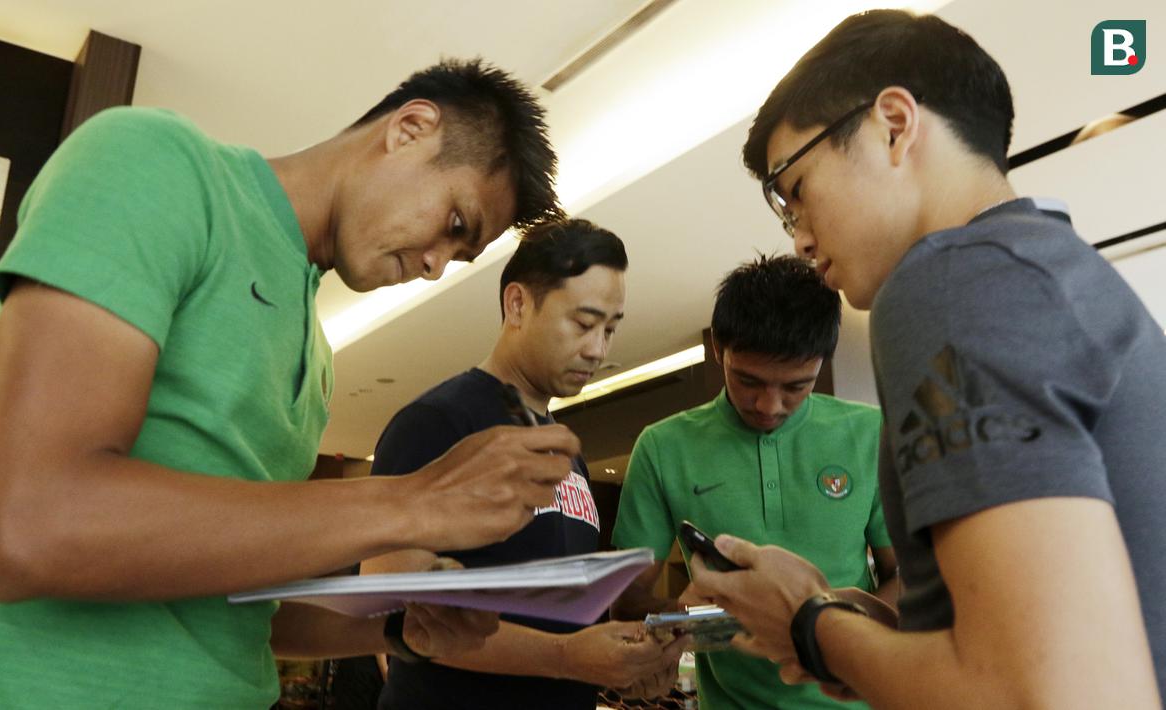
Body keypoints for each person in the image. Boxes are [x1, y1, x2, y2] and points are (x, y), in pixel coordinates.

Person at [0, 58, 582, 708]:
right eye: (453, 224)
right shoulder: (159, 162)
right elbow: (32, 524)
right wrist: (408, 501)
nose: (438, 265)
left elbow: (229, 607)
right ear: (410, 128)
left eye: (462, 256)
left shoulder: (315, 352)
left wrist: (398, 631)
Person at [689, 9, 1166, 709]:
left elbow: (1043, 692)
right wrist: (891, 631)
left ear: (892, 123)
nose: (799, 237)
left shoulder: (946, 281)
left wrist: (807, 623)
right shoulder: (1050, 272)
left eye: (794, 191)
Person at [362, 218, 687, 710]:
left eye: (611, 329)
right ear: (518, 304)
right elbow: (389, 612)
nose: (598, 349)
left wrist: (620, 656)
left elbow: (558, 618)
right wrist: (566, 657)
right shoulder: (438, 422)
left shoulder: (565, 450)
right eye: (583, 323)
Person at [611, 255, 896, 710]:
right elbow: (625, 602)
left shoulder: (870, 433)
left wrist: (821, 627)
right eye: (748, 381)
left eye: (797, 386)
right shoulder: (663, 447)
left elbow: (906, 579)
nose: (770, 405)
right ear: (719, 349)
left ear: (822, 362)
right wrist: (691, 618)